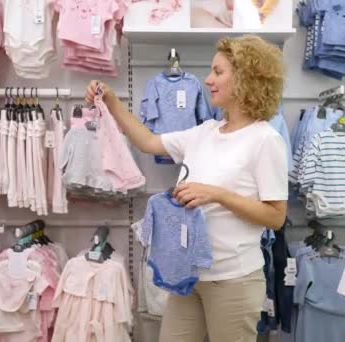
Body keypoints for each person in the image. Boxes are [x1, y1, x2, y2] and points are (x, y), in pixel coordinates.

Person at [86, 35, 288, 342]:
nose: (208, 80)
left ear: (247, 77)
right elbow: (148, 141)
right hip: (187, 275)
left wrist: (216, 194)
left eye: (218, 72)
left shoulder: (265, 140)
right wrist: (112, 102)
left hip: (233, 281)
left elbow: (275, 217)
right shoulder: (205, 132)